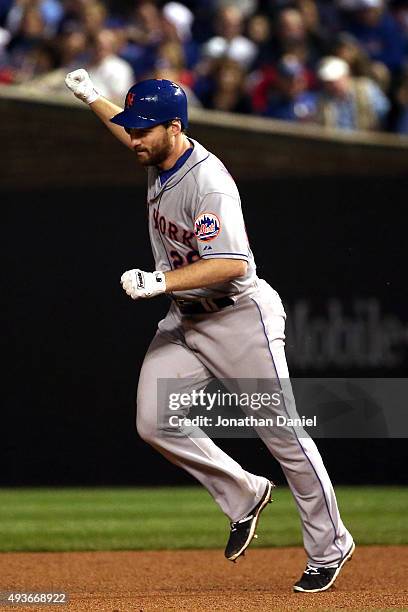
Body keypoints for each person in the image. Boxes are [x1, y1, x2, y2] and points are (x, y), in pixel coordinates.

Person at [64, 68, 355, 593]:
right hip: (186, 318)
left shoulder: (208, 181)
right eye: (133, 127)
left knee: (284, 436)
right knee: (155, 420)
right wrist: (91, 98)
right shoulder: (155, 153)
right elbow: (125, 130)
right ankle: (244, 493)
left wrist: (159, 281)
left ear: (174, 127)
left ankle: (331, 544)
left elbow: (234, 264)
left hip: (238, 317)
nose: (134, 137)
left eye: (144, 129)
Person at [314, 55, 390, 130]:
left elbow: (383, 110)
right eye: (328, 82)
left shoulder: (365, 88)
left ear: (345, 76)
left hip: (365, 138)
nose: (332, 85)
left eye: (335, 81)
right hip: (335, 141)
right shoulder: (323, 99)